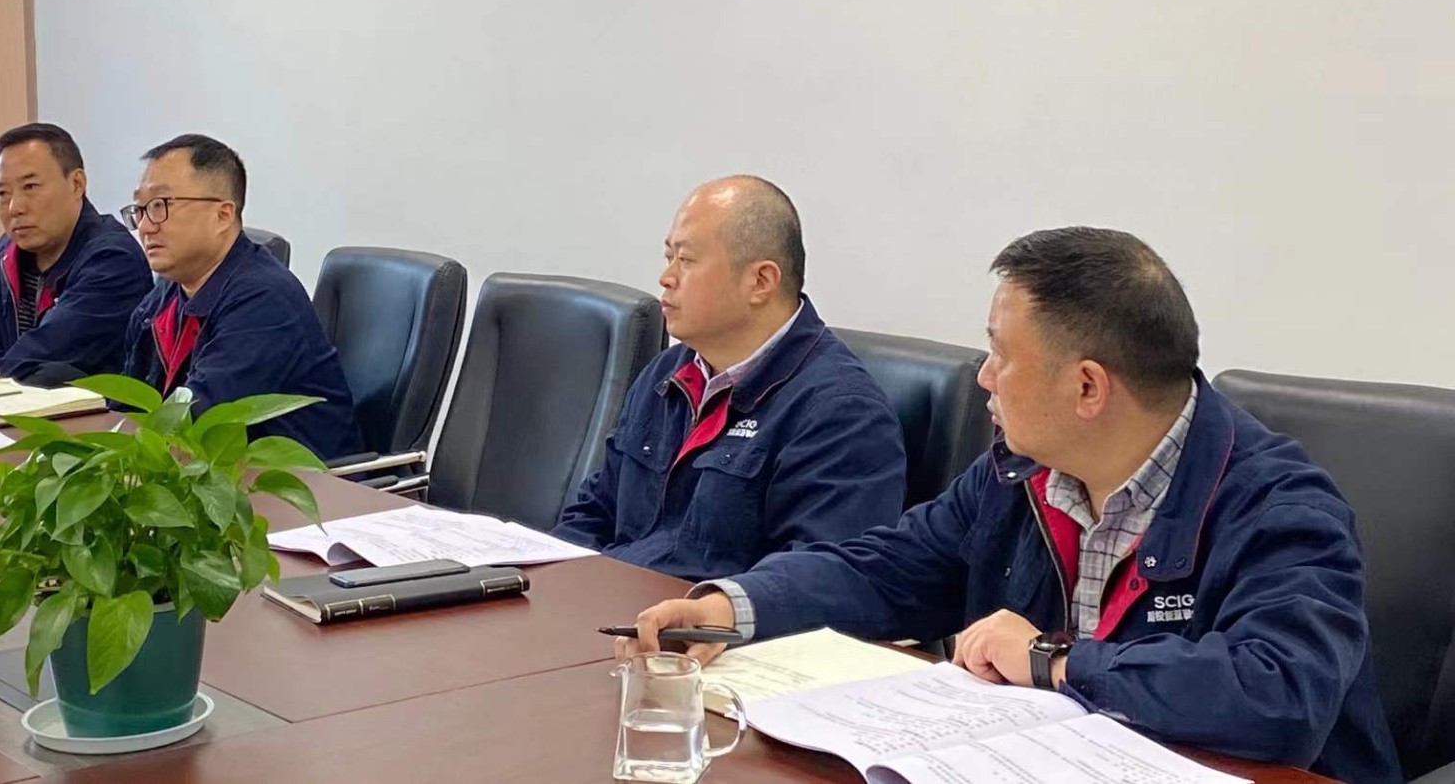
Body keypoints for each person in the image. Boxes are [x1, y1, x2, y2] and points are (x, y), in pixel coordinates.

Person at [623, 227, 1399, 783]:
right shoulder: (1019, 472)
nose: (983, 376)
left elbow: (1278, 692)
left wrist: (1053, 659)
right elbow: (888, 567)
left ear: (1088, 386)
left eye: (1001, 352)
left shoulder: (1278, 504)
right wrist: (736, 605)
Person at [553, 176, 905, 581]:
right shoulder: (667, 373)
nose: (666, 277)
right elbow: (596, 510)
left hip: (699, 616)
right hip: (610, 602)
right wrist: (545, 580)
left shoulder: (842, 412)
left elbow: (821, 580)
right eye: (668, 257)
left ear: (761, 282)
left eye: (686, 260)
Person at [119, 133, 363, 459]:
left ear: (223, 215)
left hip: (303, 483)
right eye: (140, 209)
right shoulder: (167, 293)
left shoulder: (264, 300)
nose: (145, 227)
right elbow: (127, 401)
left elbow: (196, 417)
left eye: (161, 206)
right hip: (200, 474)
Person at [0, 123, 153, 385]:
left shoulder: (114, 260)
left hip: (92, 409)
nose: (14, 207)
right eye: (2, 193)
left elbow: (49, 350)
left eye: (30, 187)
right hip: (14, 402)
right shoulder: (4, 254)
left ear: (77, 184)